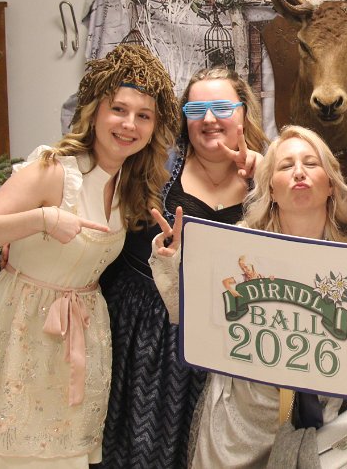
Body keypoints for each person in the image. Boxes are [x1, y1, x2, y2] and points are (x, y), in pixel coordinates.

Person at [149, 125, 347, 469]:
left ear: (330, 184)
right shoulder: (236, 246)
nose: (298, 172)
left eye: (311, 163)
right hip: (238, 431)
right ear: (270, 188)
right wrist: (171, 264)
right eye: (285, 165)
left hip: (326, 436)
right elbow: (185, 319)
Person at [0, 43, 178, 468]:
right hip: (18, 332)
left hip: (81, 339)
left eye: (143, 116)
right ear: (95, 111)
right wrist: (43, 219)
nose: (129, 124)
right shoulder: (53, 170)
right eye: (119, 110)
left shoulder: (131, 185)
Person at [99, 66, 267, 469]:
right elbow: (83, 189)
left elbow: (325, 222)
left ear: (244, 114)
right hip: (147, 331)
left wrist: (267, 173)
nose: (209, 119)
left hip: (230, 337)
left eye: (222, 108)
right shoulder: (150, 164)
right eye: (196, 110)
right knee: (143, 451)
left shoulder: (273, 175)